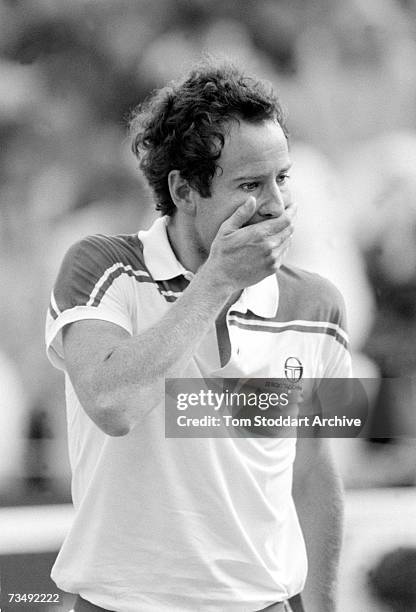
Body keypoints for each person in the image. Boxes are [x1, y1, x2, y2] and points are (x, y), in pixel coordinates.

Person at [45, 62, 352, 612]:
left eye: (282, 178)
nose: (276, 206)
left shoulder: (321, 304)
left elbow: (313, 472)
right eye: (250, 185)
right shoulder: (99, 265)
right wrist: (218, 280)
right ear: (184, 189)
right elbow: (114, 404)